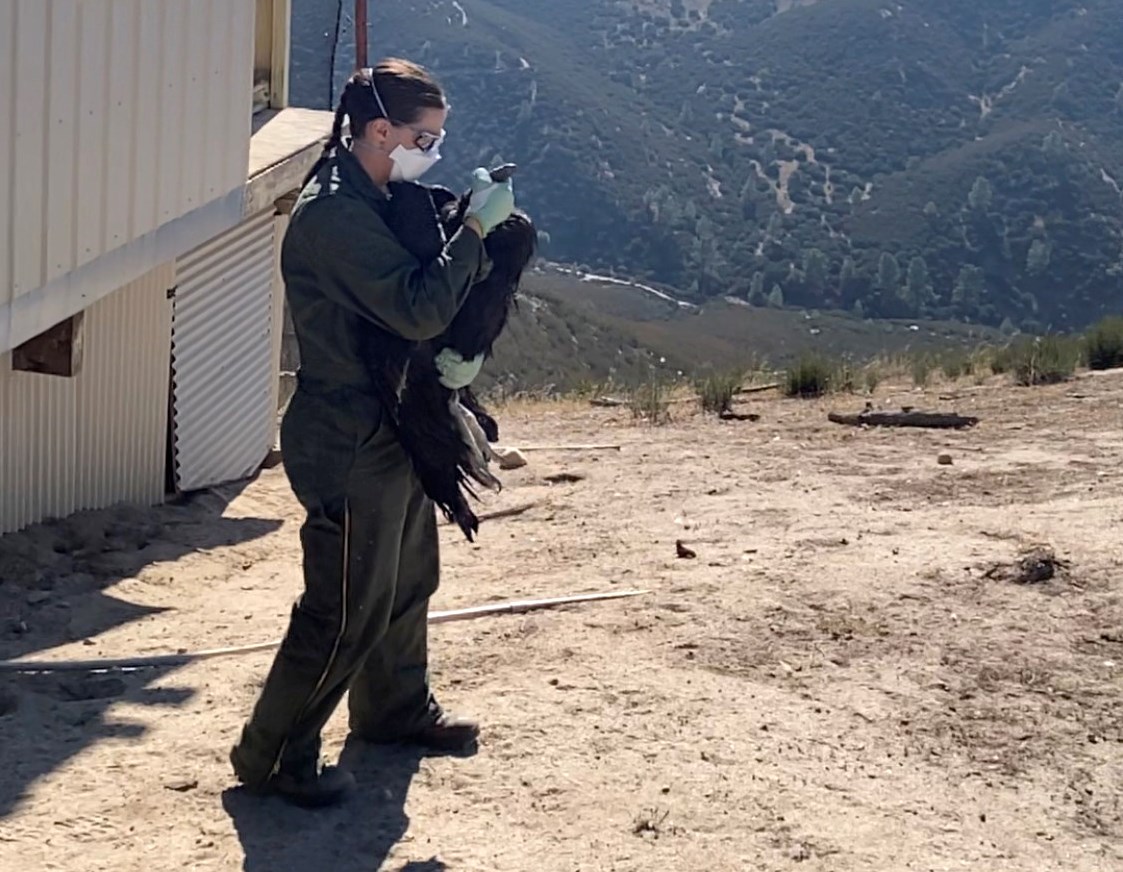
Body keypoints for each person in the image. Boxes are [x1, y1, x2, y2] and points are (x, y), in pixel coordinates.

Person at [229, 59, 516, 808]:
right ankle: (271, 756)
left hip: (391, 420)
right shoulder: (333, 217)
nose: (432, 150)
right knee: (345, 604)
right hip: (346, 430)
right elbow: (417, 308)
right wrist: (476, 236)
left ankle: (391, 711)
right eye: (424, 137)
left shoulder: (374, 194)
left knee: (407, 579)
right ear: (378, 130)